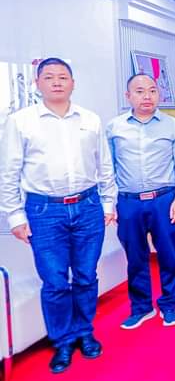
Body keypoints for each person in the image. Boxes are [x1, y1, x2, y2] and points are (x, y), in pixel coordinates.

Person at [0, 58, 117, 374]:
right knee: (53, 281)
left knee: (85, 275)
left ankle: (84, 332)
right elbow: (8, 172)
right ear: (38, 83)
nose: (56, 82)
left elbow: (104, 166)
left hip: (88, 206)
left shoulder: (90, 120)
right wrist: (15, 217)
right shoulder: (21, 122)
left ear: (73, 83)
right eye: (49, 77)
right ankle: (62, 340)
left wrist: (108, 204)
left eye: (63, 77)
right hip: (43, 210)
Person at [107, 74, 175, 329]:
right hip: (128, 202)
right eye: (140, 91)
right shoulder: (114, 127)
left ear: (159, 95)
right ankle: (142, 308)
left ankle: (169, 306)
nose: (147, 96)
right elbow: (107, 168)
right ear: (128, 96)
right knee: (135, 257)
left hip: (163, 200)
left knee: (168, 255)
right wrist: (110, 204)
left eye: (153, 91)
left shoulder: (172, 126)